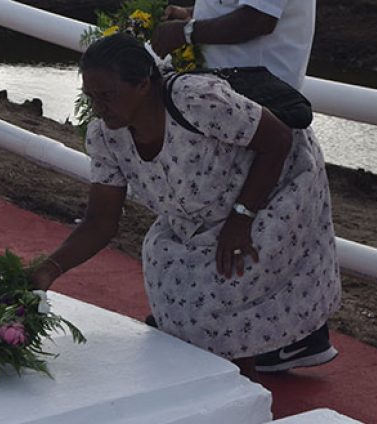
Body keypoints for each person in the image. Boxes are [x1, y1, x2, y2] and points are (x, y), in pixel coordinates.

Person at [31, 33, 341, 378]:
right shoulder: (105, 136)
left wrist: (241, 220)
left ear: (144, 84)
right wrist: (49, 270)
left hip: (274, 184)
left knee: (231, 275)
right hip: (205, 204)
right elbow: (100, 221)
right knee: (162, 259)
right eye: (92, 98)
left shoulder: (196, 100)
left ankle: (251, 373)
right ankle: (213, 354)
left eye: (108, 95)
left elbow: (279, 138)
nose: (100, 108)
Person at [151, 1, 336, 373]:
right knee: (237, 229)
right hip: (232, 100)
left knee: (241, 234)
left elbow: (260, 19)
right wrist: (194, 18)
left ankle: (278, 342)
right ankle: (279, 337)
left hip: (260, 104)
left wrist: (186, 33)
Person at [151, 0, 315, 90]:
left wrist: (185, 32)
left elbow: (259, 20)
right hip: (225, 91)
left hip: (259, 97)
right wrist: (189, 13)